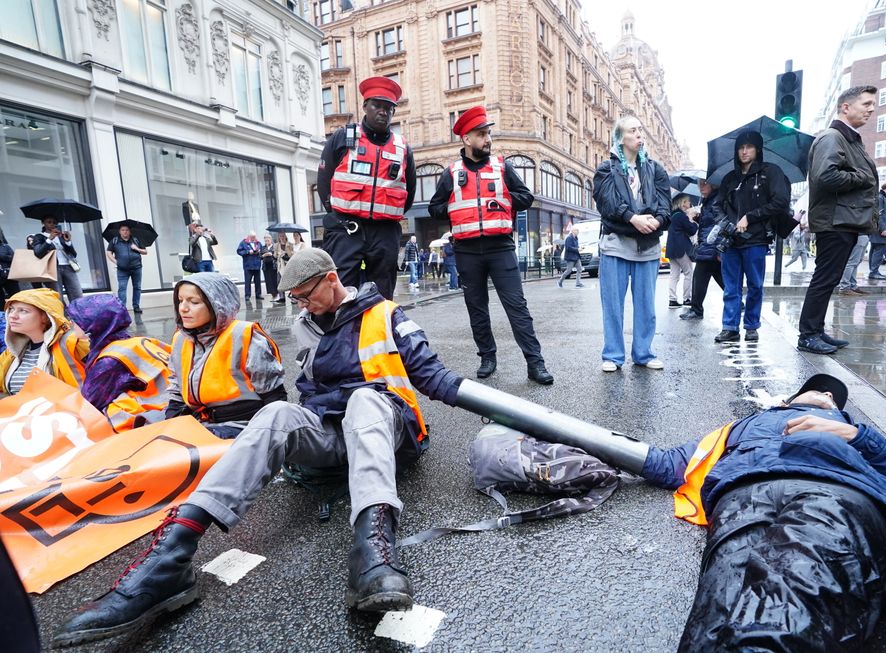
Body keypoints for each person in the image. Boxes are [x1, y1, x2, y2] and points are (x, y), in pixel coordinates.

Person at [53, 250, 465, 645]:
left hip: (388, 430)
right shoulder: (307, 323)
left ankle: (374, 548)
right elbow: (309, 392)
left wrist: (503, 412)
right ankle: (171, 557)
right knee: (276, 413)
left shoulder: (387, 314)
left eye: (305, 296)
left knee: (363, 398)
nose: (301, 306)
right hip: (336, 435)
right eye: (295, 299)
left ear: (331, 280)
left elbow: (435, 378)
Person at [638, 373, 886, 650]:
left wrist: (858, 437)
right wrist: (602, 446)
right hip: (744, 493)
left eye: (831, 396)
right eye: (818, 389)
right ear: (786, 402)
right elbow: (666, 464)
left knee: (788, 615)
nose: (827, 394)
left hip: (836, 491)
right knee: (714, 621)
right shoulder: (741, 426)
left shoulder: (851, 430)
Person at [428, 105, 553, 384]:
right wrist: (456, 208)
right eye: (481, 134)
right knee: (477, 308)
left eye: (488, 134)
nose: (488, 139)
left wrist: (502, 199)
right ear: (466, 138)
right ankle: (487, 357)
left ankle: (535, 363)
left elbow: (525, 197)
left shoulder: (502, 167)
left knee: (517, 307)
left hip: (500, 248)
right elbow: (434, 208)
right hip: (466, 250)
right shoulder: (451, 173)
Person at [316, 77, 416, 300]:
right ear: (365, 106)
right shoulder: (343, 138)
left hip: (384, 232)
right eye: (376, 105)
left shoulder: (403, 148)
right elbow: (324, 180)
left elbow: (409, 193)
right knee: (340, 293)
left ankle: (377, 324)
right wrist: (337, 214)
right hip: (346, 229)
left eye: (388, 108)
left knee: (382, 295)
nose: (383, 112)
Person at [798, 85, 879, 354]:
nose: (871, 109)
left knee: (829, 278)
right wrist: (862, 177)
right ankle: (808, 335)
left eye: (872, 104)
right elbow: (825, 176)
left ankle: (816, 330)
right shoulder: (833, 137)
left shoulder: (848, 139)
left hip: (844, 219)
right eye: (866, 104)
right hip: (835, 221)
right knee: (824, 279)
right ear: (846, 107)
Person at [164, 272, 286, 439]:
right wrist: (171, 424)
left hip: (246, 426)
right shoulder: (180, 339)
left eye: (194, 302)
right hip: (201, 422)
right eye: (180, 300)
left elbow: (274, 397)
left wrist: (273, 437)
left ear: (218, 304)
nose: (183, 308)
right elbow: (177, 389)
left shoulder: (244, 336)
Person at [592, 115, 672, 372]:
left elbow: (665, 205)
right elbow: (607, 204)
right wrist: (633, 218)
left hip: (647, 247)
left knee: (646, 306)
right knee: (613, 306)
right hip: (615, 245)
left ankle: (644, 353)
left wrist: (657, 221)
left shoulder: (655, 169)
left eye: (640, 129)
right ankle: (613, 355)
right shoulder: (606, 169)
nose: (639, 134)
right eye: (632, 130)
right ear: (620, 138)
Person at [714, 130, 791, 344]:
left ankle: (751, 325)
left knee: (755, 285)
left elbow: (780, 202)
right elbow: (716, 206)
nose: (744, 151)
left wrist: (750, 216)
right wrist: (727, 224)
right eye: (740, 147)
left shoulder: (770, 172)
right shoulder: (730, 178)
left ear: (758, 149)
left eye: (749, 147)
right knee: (731, 287)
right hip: (731, 240)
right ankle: (730, 327)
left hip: (756, 238)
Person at [65, 295, 171, 432]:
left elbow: (88, 403)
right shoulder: (139, 341)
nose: (72, 323)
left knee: (113, 409)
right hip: (173, 407)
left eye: (77, 319)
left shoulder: (109, 361)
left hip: (156, 420)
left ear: (94, 324)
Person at [0, 288, 88, 396]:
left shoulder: (73, 343)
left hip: (70, 406)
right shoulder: (11, 353)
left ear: (46, 317)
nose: (12, 315)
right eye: (11, 309)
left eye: (23, 311)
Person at [680, 181, 725, 321]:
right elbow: (709, 223)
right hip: (708, 246)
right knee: (720, 278)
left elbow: (720, 225)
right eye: (699, 184)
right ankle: (738, 302)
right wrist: (698, 218)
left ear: (713, 184)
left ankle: (696, 310)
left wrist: (719, 250)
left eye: (704, 184)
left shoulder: (716, 200)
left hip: (710, 247)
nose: (701, 187)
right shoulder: (709, 200)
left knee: (699, 279)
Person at [32, 216, 83, 303]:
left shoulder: (61, 236)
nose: (52, 224)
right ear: (43, 223)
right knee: (57, 297)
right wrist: (49, 239)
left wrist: (68, 242)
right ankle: (60, 312)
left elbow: (74, 254)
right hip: (52, 269)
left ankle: (77, 311)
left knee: (77, 294)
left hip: (68, 267)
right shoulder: (39, 236)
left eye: (54, 222)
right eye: (49, 222)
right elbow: (38, 253)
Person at [105, 223, 147, 313]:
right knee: (122, 288)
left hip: (136, 268)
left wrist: (137, 249)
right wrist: (116, 261)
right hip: (122, 270)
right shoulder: (115, 240)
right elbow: (108, 252)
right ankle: (122, 308)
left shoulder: (135, 240)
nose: (125, 232)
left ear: (130, 231)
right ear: (119, 231)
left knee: (137, 287)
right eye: (123, 230)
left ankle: (136, 306)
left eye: (127, 230)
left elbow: (145, 251)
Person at [666, 194, 698, 308]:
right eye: (688, 201)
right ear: (683, 203)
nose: (690, 203)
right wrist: (691, 219)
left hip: (671, 249)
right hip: (682, 249)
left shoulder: (672, 215)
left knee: (674, 275)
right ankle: (687, 298)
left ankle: (672, 300)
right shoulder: (681, 216)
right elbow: (692, 230)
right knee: (689, 273)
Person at [868, 180, 886, 280]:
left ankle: (873, 271)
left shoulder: (883, 197)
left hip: (878, 229)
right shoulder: (881, 197)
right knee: (878, 251)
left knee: (874, 250)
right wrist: (883, 229)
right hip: (880, 230)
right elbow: (878, 215)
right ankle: (874, 272)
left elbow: (883, 214)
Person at [237, 231, 263, 301]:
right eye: (252, 237)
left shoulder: (258, 243)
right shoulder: (243, 243)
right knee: (248, 281)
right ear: (248, 236)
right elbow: (239, 251)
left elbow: (262, 252)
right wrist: (248, 252)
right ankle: (247, 295)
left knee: (257, 281)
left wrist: (259, 252)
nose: (253, 238)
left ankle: (258, 294)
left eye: (254, 237)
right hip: (248, 265)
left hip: (257, 265)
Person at [272, 232, 293, 303]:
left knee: (290, 281)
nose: (282, 237)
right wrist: (277, 254)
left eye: (283, 236)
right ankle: (282, 297)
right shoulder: (276, 245)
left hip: (288, 265)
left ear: (285, 236)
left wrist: (285, 254)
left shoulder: (290, 244)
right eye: (280, 236)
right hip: (280, 266)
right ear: (279, 237)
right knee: (279, 281)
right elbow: (274, 256)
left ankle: (293, 296)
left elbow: (291, 255)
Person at [261, 234, 278, 299]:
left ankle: (277, 294)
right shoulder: (263, 247)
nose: (267, 242)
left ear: (271, 240)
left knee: (274, 280)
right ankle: (273, 295)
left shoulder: (274, 247)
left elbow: (277, 255)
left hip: (273, 266)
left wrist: (271, 254)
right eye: (265, 241)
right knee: (268, 281)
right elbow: (259, 256)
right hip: (266, 266)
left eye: (268, 240)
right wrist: (263, 255)